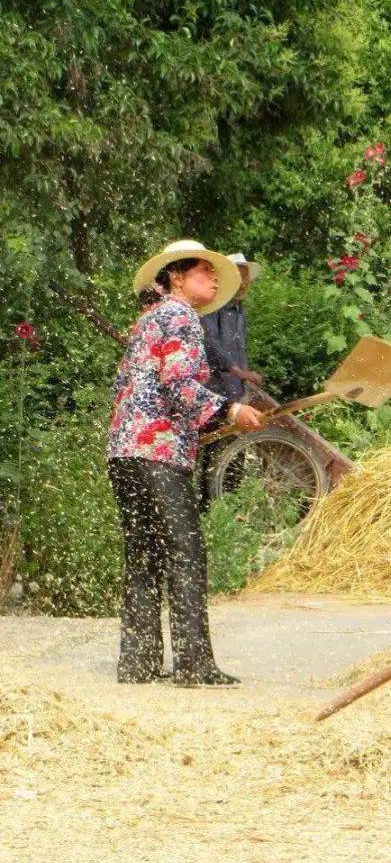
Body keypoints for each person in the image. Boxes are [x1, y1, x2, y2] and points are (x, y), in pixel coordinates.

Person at [107, 240, 263, 686]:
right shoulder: (179, 316)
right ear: (177, 276)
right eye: (204, 272)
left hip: (125, 450)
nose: (215, 279)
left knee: (144, 556)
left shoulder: (149, 319)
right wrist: (232, 410)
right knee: (185, 553)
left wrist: (212, 418)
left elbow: (148, 390)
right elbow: (179, 386)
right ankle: (194, 665)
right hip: (156, 452)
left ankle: (138, 664)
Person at [198, 253, 264, 508]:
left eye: (247, 279)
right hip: (214, 390)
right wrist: (237, 370)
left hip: (235, 391)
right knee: (212, 449)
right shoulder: (213, 307)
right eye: (240, 278)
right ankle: (208, 506)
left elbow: (239, 348)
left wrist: (244, 376)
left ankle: (229, 507)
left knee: (234, 450)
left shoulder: (238, 309)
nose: (244, 284)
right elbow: (209, 344)